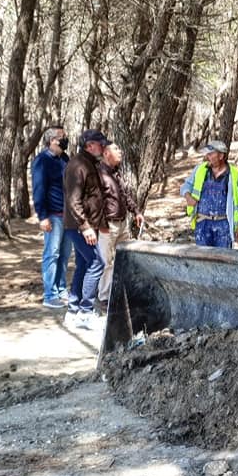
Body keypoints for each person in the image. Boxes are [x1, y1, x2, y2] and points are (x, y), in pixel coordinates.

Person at [62, 129, 110, 331]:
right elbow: (73, 200)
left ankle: (73, 311)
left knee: (83, 264)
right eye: (100, 144)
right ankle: (85, 312)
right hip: (79, 227)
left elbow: (94, 197)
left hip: (88, 225)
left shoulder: (90, 163)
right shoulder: (78, 165)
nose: (103, 147)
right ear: (90, 145)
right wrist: (85, 227)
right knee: (97, 263)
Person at [95, 141, 144, 309]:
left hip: (122, 224)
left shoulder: (115, 173)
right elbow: (94, 203)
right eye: (116, 149)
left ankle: (120, 293)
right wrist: (101, 225)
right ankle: (104, 297)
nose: (120, 151)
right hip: (108, 225)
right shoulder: (98, 174)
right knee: (106, 261)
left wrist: (136, 211)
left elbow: (124, 195)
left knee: (124, 258)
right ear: (106, 153)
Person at [181, 140, 238, 248]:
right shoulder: (200, 170)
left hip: (224, 225)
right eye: (207, 154)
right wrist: (188, 196)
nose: (207, 157)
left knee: (222, 257)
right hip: (203, 223)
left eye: (210, 154)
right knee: (202, 256)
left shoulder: (234, 175)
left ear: (221, 156)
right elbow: (186, 185)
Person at [31, 125, 71, 309]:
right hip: (53, 216)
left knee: (64, 255)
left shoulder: (65, 159)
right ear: (52, 140)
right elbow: (38, 190)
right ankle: (50, 295)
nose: (65, 139)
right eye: (62, 137)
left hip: (68, 215)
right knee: (51, 254)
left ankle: (61, 289)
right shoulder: (42, 160)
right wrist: (43, 216)